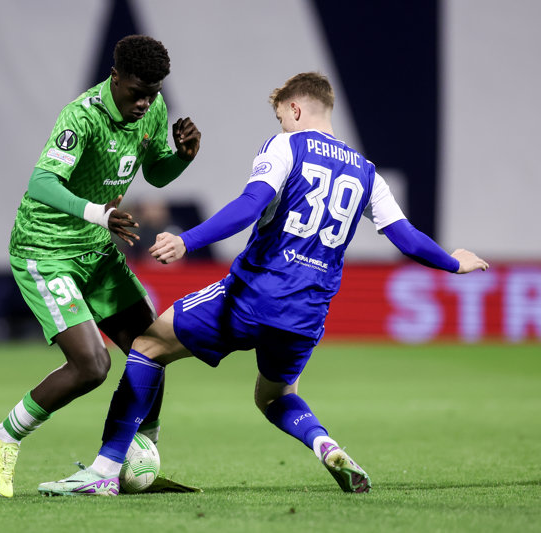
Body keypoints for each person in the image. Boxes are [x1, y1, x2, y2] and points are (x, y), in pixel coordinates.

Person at [37, 72, 489, 496]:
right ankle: (325, 445)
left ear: (295, 109)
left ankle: (104, 471)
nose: (281, 124)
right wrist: (453, 262)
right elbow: (404, 237)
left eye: (280, 116)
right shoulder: (367, 172)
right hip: (308, 312)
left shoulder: (287, 146)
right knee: (274, 396)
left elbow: (250, 205)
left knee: (148, 345)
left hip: (254, 294)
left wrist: (187, 240)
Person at [0, 34, 201, 498]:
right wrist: (99, 214)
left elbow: (155, 171)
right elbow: (41, 183)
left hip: (95, 249)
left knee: (153, 347)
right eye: (137, 92)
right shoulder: (81, 117)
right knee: (92, 365)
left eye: (153, 94)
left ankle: (139, 457)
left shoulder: (151, 109)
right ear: (115, 77)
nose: (145, 104)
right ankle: (3, 437)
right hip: (47, 250)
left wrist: (181, 159)